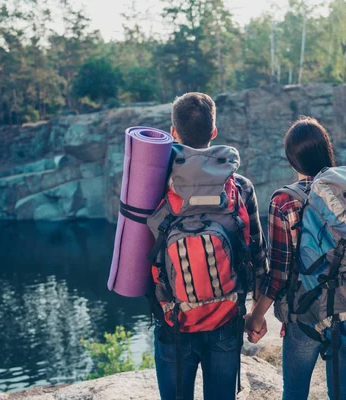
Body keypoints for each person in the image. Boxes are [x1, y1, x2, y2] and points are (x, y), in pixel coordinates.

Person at [149, 92, 267, 400]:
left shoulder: (155, 187)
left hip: (172, 319)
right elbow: (259, 259)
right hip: (226, 317)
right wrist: (256, 314)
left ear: (173, 133)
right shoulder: (238, 186)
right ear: (213, 133)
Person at [245, 117, 346, 400]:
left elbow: (279, 273)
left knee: (295, 392)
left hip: (305, 315)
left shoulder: (284, 202)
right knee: (342, 390)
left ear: (291, 159)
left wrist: (256, 315)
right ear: (326, 151)